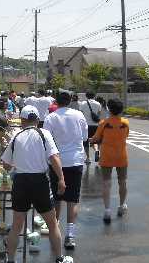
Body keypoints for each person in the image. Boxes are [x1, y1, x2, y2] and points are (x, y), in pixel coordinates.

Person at [0, 105, 71, 263]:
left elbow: (5, 164)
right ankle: (59, 258)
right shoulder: (44, 133)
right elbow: (54, 157)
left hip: (20, 181)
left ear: (23, 120)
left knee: (17, 224)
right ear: (37, 120)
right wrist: (61, 179)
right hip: (39, 181)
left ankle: (10, 260)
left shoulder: (16, 135)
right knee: (52, 223)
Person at [43, 90, 87, 250]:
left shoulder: (50, 117)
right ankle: (70, 235)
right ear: (69, 101)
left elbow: (46, 141)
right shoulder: (79, 115)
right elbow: (84, 137)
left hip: (57, 162)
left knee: (57, 197)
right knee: (73, 199)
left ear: (56, 101)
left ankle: (55, 230)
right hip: (76, 160)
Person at [91, 98, 129, 225]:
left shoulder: (103, 123)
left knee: (106, 183)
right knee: (122, 182)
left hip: (107, 156)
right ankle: (122, 205)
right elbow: (126, 136)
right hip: (121, 156)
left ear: (108, 109)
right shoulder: (126, 123)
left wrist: (92, 140)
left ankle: (107, 210)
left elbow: (96, 138)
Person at [78, 92, 102, 164]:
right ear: (94, 96)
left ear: (86, 96)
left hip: (85, 125)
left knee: (85, 142)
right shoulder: (98, 104)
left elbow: (80, 114)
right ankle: (97, 150)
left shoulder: (83, 104)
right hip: (95, 125)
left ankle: (88, 158)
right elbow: (98, 114)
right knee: (95, 141)